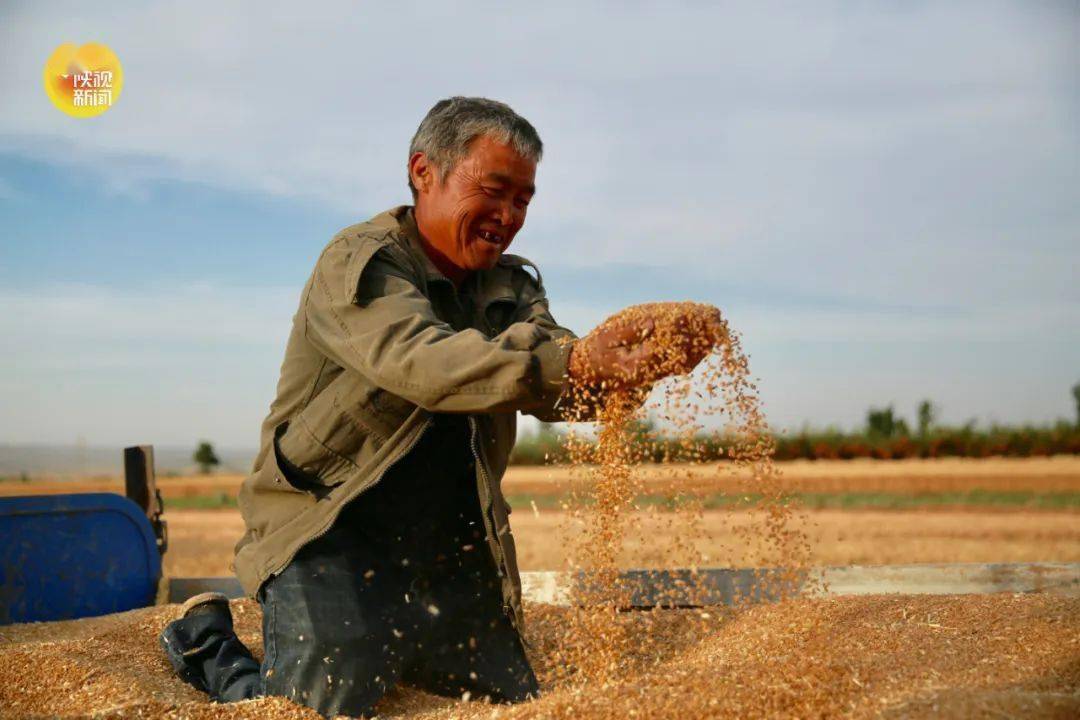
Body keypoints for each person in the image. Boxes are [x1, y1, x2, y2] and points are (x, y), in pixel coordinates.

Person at [159, 96, 713, 718]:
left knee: (508, 703)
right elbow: (424, 366)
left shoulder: (512, 285)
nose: (508, 216)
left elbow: (559, 377)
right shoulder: (362, 261)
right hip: (329, 530)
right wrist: (578, 361)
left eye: (523, 200)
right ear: (424, 171)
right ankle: (206, 643)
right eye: (494, 190)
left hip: (448, 549)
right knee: (314, 708)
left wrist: (637, 368)